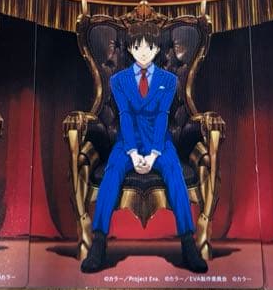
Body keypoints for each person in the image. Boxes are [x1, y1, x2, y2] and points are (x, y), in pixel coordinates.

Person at [80, 25, 206, 274]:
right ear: (130, 48)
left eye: (150, 46)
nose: (144, 52)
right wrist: (133, 152)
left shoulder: (169, 80)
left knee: (174, 172)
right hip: (128, 141)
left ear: (157, 49)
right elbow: (125, 115)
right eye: (138, 47)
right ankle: (98, 242)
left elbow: (162, 115)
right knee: (112, 172)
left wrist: (154, 153)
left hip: (159, 141)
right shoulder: (118, 80)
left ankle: (188, 243)